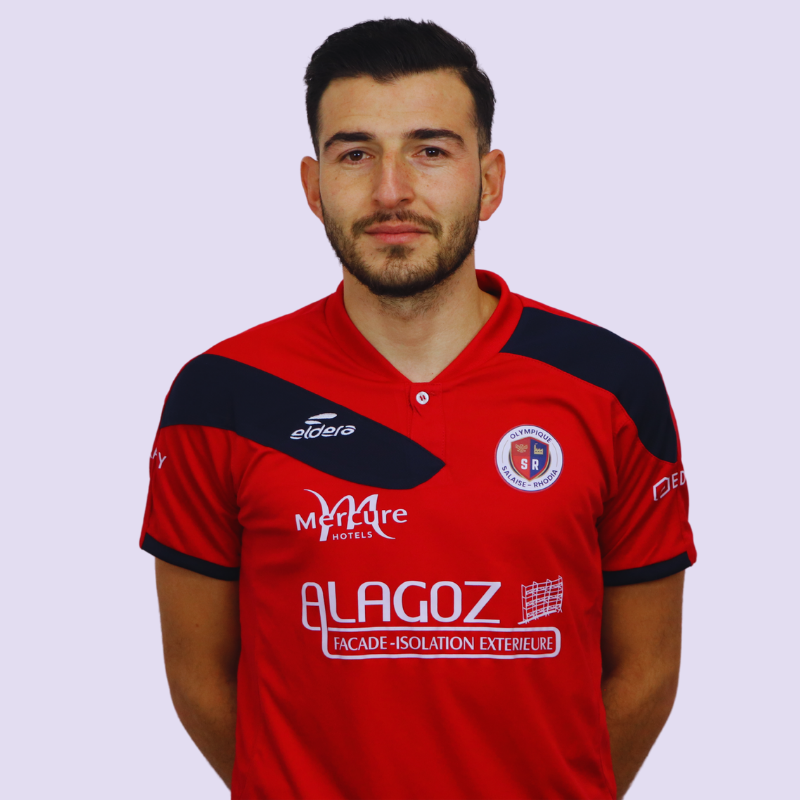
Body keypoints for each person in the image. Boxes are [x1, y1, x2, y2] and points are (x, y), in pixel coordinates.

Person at [141, 18, 696, 800]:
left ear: (489, 181)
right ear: (312, 186)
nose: (391, 191)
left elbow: (647, 669)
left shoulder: (611, 385)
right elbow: (199, 677)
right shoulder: (222, 394)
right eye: (355, 154)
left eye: (430, 151)